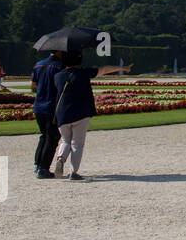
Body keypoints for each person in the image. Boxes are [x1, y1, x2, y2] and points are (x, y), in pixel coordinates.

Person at [51, 50, 128, 180]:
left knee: (65, 140)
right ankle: (73, 172)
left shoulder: (57, 76)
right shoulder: (83, 73)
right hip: (80, 113)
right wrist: (121, 68)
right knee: (77, 144)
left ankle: (60, 158)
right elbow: (104, 69)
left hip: (62, 113)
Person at [30, 50, 65, 178]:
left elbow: (33, 85)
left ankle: (37, 164)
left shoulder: (38, 64)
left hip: (38, 105)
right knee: (53, 137)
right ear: (59, 51)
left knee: (44, 135)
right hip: (51, 106)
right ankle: (43, 168)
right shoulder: (60, 66)